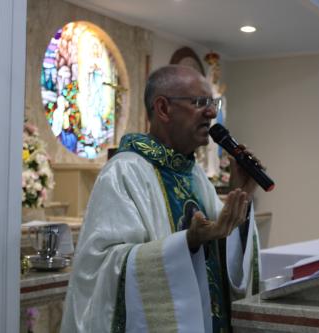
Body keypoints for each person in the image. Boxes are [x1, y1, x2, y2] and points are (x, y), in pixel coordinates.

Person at [61, 65, 261, 332]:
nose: (212, 113)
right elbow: (101, 269)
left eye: (213, 103)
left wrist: (241, 196)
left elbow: (221, 256)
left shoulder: (195, 175)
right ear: (163, 108)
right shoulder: (124, 172)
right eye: (200, 102)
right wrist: (188, 242)